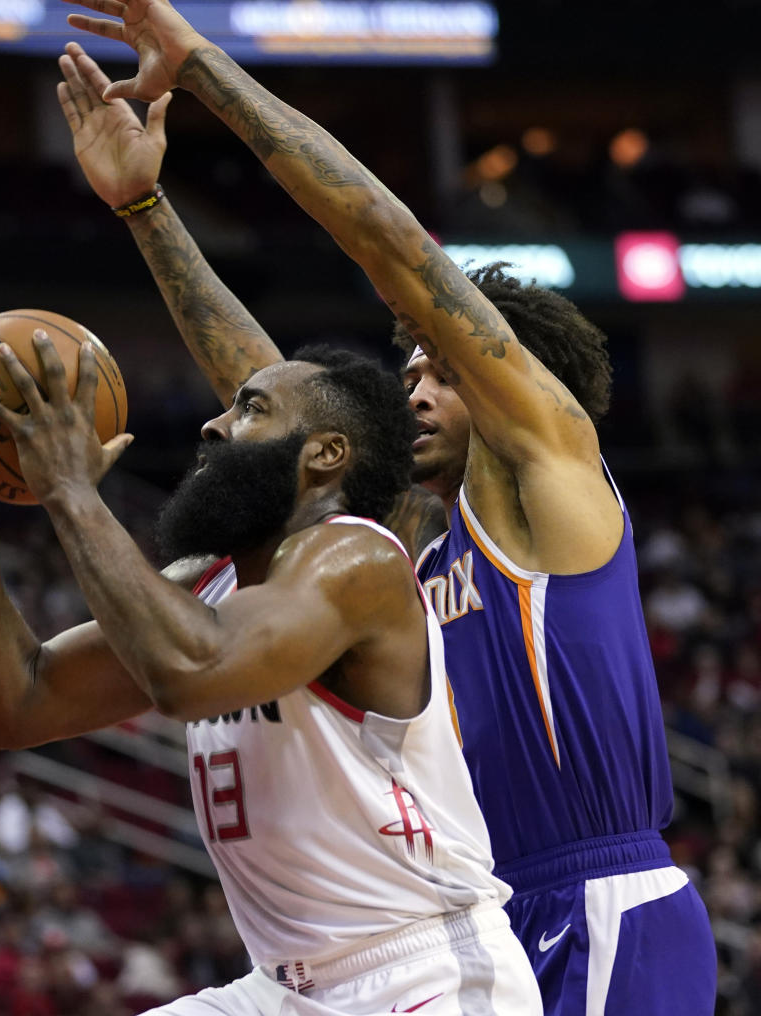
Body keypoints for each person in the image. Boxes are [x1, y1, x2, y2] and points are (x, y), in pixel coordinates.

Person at [58, 7, 718, 1013]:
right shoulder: (404, 538)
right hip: (472, 915)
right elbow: (272, 398)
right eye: (406, 369)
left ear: (508, 383)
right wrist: (145, 203)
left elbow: (391, 241)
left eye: (440, 371)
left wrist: (203, 71)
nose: (411, 391)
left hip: (599, 904)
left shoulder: (555, 484)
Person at [0, 327, 543, 1015]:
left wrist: (71, 490)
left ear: (326, 454)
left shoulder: (358, 562)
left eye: (250, 409)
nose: (213, 425)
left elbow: (191, 672)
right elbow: (16, 702)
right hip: (282, 986)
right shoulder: (205, 588)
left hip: (419, 969)